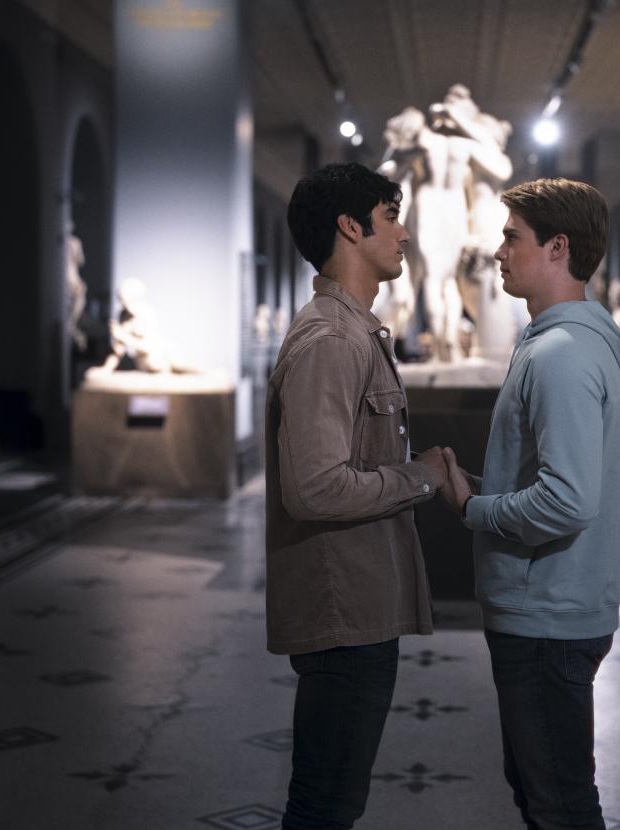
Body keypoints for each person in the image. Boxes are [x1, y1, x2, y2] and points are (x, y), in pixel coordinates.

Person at [439, 178, 620, 829]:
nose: (498, 251)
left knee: (558, 802)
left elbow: (565, 499)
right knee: (542, 793)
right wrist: (483, 483)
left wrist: (471, 509)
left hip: (547, 615)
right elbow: (553, 474)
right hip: (553, 608)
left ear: (557, 248)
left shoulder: (560, 352)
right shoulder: (559, 342)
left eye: (511, 237)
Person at [265, 162, 448, 829]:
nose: (403, 232)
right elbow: (314, 488)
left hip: (359, 600)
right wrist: (419, 477)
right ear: (351, 226)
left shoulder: (353, 331)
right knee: (325, 805)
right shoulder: (332, 340)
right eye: (391, 214)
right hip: (342, 609)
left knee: (333, 799)